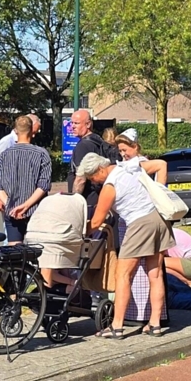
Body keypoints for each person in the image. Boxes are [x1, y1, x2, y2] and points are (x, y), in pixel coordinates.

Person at [76, 152, 171, 339]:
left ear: (100, 169)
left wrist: (77, 232)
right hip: (159, 218)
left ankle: (117, 326)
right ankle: (155, 324)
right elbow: (161, 164)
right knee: (155, 273)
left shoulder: (110, 186)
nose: (93, 182)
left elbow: (96, 222)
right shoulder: (129, 167)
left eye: (92, 177)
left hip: (139, 224)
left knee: (123, 274)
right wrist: (160, 188)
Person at [0, 116, 52, 243]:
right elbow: (44, 185)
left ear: (16, 131)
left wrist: (10, 204)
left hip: (11, 211)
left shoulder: (4, 155)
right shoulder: (42, 154)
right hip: (36, 210)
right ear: (31, 131)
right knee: (35, 251)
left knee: (14, 253)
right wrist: (26, 205)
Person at [67, 109, 116, 210]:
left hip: (88, 200)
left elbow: (80, 179)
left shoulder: (83, 146)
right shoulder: (98, 141)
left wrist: (74, 202)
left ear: (88, 124)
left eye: (76, 123)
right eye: (71, 123)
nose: (72, 126)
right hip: (101, 196)